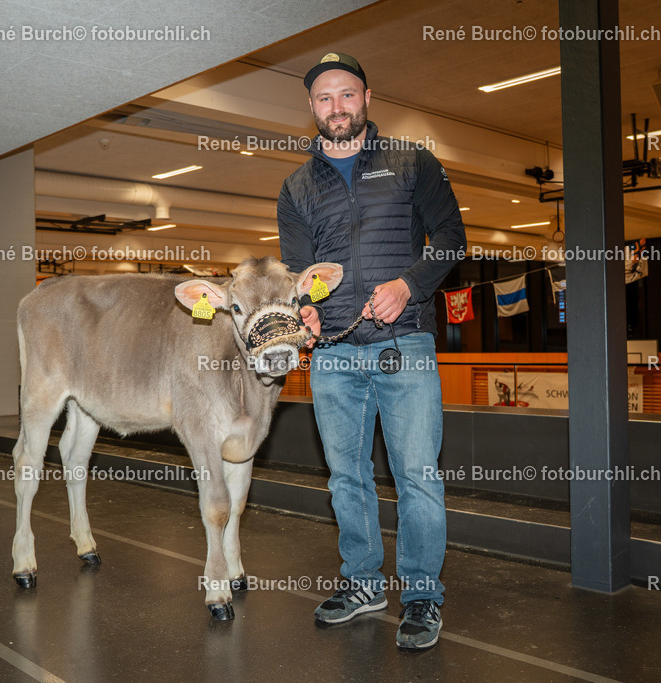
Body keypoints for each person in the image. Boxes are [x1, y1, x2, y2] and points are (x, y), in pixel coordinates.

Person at [277, 52, 466, 650]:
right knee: (346, 478)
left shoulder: (413, 162)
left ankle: (421, 596)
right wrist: (304, 307)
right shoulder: (297, 186)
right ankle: (362, 584)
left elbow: (453, 239)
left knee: (416, 476)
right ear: (312, 107)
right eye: (325, 98)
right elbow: (301, 272)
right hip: (332, 355)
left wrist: (409, 283)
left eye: (348, 94)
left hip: (403, 345)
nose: (338, 107)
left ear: (367, 99)